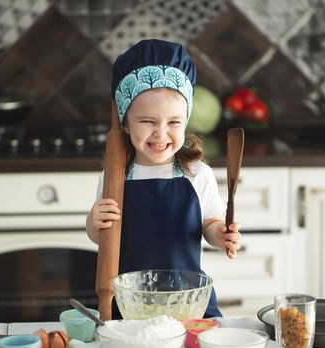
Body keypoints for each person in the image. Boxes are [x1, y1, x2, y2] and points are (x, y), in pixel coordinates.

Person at [86, 39, 241, 318]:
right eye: (147, 121)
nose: (161, 133)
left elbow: (210, 223)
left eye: (173, 122)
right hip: (131, 305)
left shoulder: (197, 174)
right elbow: (101, 238)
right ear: (126, 123)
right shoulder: (114, 178)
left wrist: (220, 234)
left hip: (188, 302)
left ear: (186, 120)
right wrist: (93, 223)